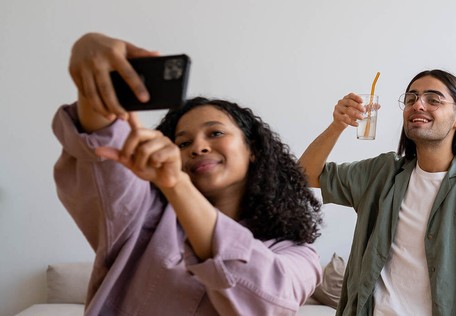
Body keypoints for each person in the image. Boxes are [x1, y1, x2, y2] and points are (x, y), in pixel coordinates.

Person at [52, 33, 323, 315]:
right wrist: (91, 73)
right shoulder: (144, 216)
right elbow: (102, 147)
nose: (198, 147)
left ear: (253, 148)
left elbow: (266, 301)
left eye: (215, 133)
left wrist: (178, 185)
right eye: (183, 143)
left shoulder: (297, 255)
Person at [298, 69, 456, 315]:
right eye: (411, 99)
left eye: (433, 99)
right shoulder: (381, 173)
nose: (418, 105)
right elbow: (305, 174)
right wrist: (338, 125)